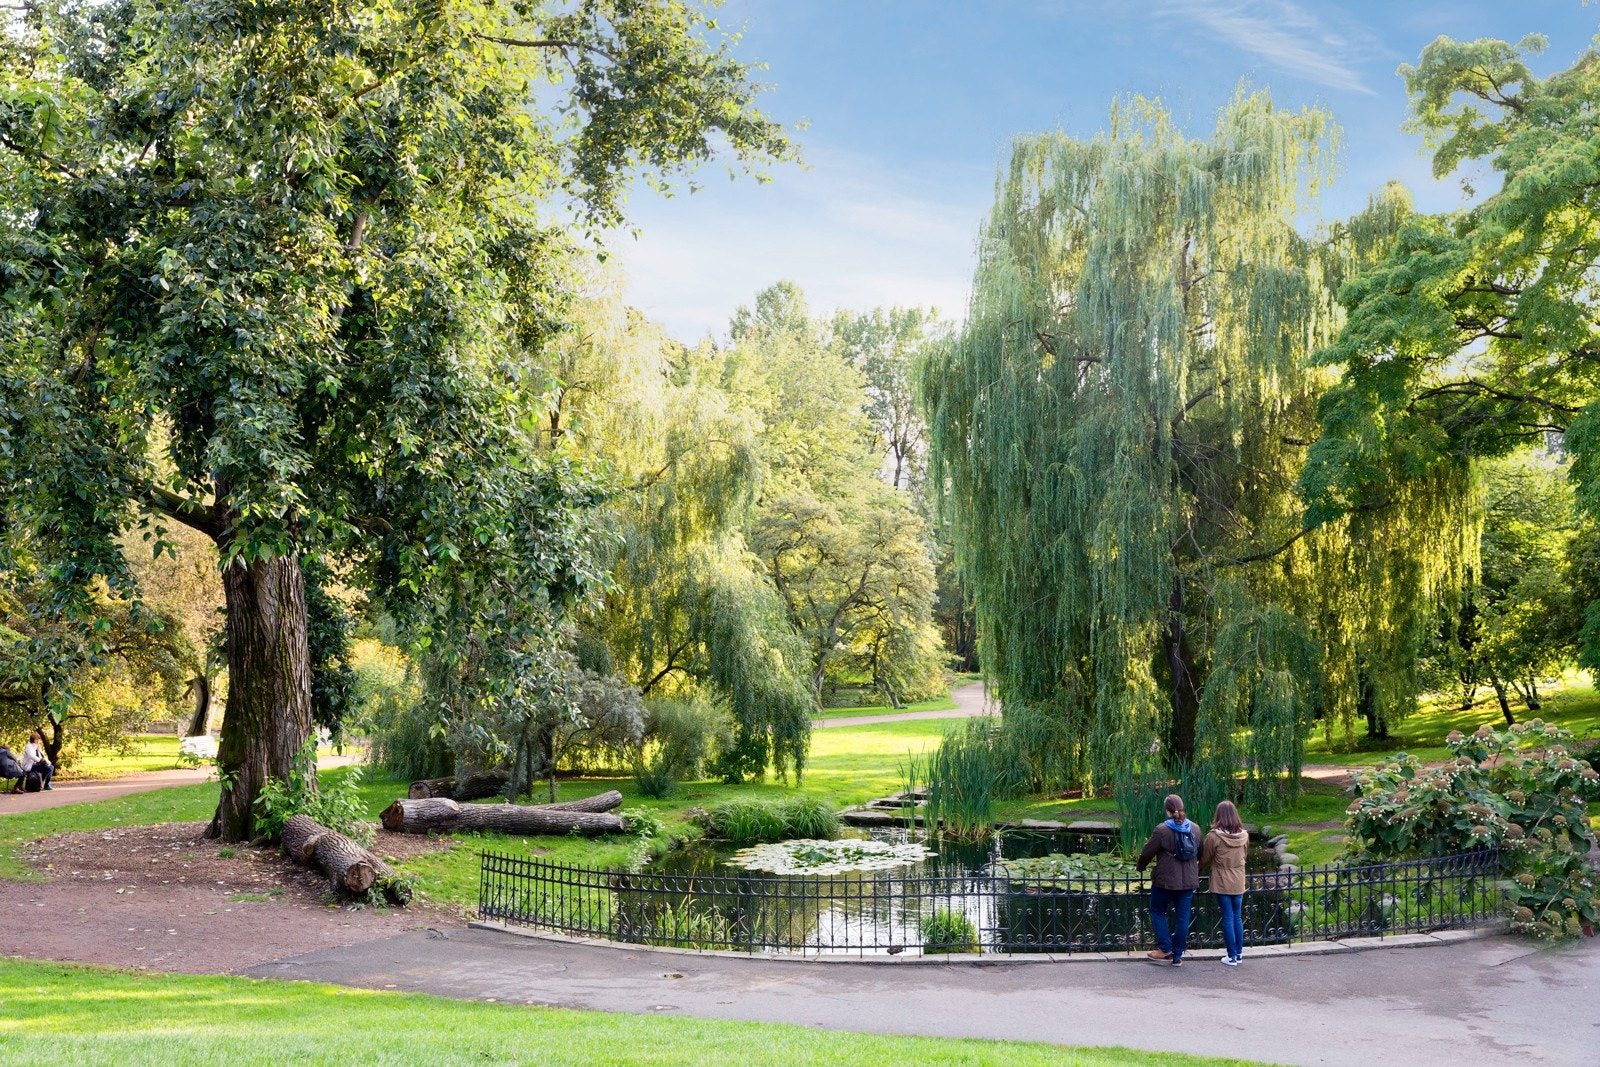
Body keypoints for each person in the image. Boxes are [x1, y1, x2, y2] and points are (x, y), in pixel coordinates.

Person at [1136, 793, 1199, 967]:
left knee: (1157, 911)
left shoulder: (1162, 830)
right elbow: (1200, 853)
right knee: (1183, 917)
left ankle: (1164, 948)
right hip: (1188, 883)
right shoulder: (1195, 829)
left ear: (1167, 810)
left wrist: (1140, 866)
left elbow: (1147, 852)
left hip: (1165, 881)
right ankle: (1177, 955)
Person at [1201, 799, 1249, 966]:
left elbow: (1205, 859)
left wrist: (1196, 872)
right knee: (1237, 917)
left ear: (1219, 815)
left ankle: (1231, 956)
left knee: (1228, 917)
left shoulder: (1214, 837)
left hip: (1222, 881)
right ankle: (1239, 954)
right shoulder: (1244, 835)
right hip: (1238, 880)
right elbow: (1245, 856)